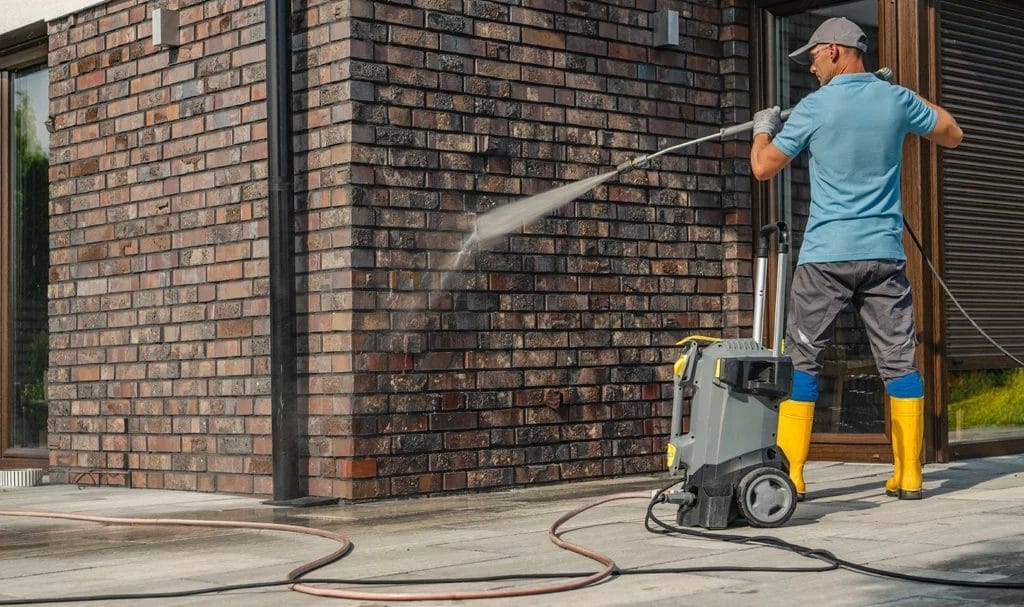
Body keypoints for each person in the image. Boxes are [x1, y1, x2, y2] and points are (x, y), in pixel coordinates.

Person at [749, 17, 963, 501]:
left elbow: (763, 168)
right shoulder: (897, 99)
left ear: (834, 51)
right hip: (883, 254)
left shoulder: (814, 108)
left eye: (813, 58)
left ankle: (794, 477)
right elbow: (952, 132)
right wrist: (896, 96)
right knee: (898, 361)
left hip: (826, 256)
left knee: (804, 361)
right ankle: (910, 476)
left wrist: (764, 129)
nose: (810, 67)